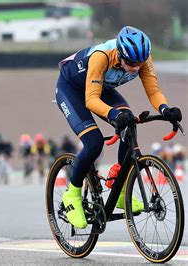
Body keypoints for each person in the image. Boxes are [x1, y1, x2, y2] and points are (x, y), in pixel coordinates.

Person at [55, 26, 182, 229]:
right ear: (120, 54)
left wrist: (166, 109)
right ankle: (72, 194)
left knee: (129, 122)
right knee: (94, 142)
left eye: (139, 64)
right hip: (72, 90)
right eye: (131, 63)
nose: (135, 68)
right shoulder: (101, 57)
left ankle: (121, 188)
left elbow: (153, 91)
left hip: (101, 89)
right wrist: (113, 114)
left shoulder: (142, 60)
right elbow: (91, 100)